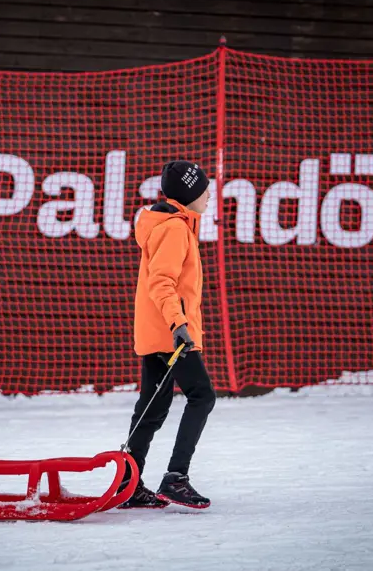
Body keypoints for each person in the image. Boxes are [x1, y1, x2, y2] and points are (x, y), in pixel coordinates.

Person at [118, 160, 216, 510]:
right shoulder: (174, 229)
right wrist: (179, 324)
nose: (209, 196)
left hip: (156, 331)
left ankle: (126, 484)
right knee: (202, 396)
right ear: (190, 196)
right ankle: (176, 478)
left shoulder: (166, 224)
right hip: (171, 333)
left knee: (153, 406)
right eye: (205, 191)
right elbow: (163, 282)